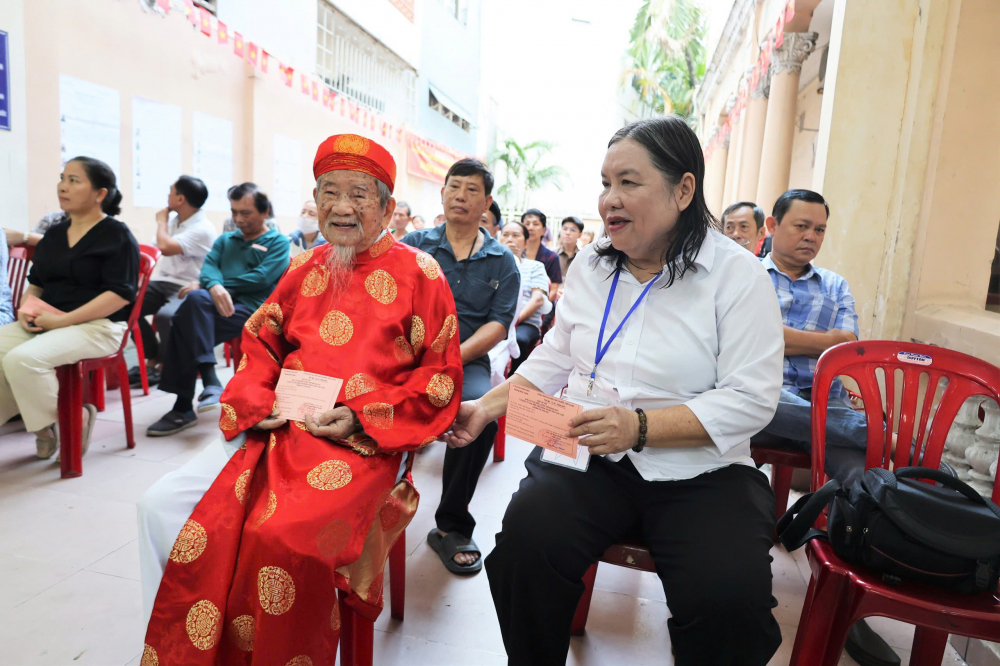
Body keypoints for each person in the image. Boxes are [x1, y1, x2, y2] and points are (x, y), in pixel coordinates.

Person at [444, 116, 785, 665]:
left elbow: (751, 398)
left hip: (700, 469)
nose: (609, 200)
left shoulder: (737, 277)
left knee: (731, 603)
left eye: (629, 182)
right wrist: (485, 408)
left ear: (683, 189)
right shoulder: (593, 266)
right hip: (587, 450)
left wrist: (641, 427)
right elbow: (556, 355)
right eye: (605, 183)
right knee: (523, 548)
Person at [138, 134, 463, 664]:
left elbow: (438, 379)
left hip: (358, 440)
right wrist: (255, 398)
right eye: (328, 191)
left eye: (359, 194)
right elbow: (261, 338)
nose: (340, 206)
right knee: (155, 507)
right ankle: (186, 651)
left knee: (281, 537)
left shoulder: (421, 276)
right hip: (272, 427)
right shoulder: (304, 266)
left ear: (386, 206)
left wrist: (360, 414)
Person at [756, 189, 892, 666]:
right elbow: (754, 341)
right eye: (801, 227)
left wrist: (790, 340)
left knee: (863, 481)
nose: (811, 237)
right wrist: (818, 342)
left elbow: (849, 346)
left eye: (819, 230)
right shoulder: (747, 276)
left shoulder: (834, 284)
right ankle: (877, 430)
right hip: (762, 400)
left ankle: (851, 608)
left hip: (823, 407)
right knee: (761, 398)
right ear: (773, 226)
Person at [401, 159, 519, 575]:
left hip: (463, 359)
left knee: (479, 414)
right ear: (442, 193)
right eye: (454, 187)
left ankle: (450, 524)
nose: (460, 196)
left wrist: (448, 358)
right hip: (405, 354)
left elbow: (499, 325)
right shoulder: (415, 244)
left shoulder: (502, 260)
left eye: (472, 190)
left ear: (486, 202)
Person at [0, 157, 139, 458]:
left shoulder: (117, 235)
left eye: (74, 180)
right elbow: (36, 282)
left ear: (100, 193)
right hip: (50, 320)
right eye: (62, 178)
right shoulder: (54, 234)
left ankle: (76, 417)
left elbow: (119, 295)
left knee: (22, 360)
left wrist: (63, 322)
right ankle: (45, 428)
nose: (63, 186)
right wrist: (27, 310)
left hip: (99, 326)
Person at [146, 183, 290, 435]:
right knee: (194, 307)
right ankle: (209, 380)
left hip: (252, 310)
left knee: (186, 318)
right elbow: (209, 267)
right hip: (211, 309)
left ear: (265, 211)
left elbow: (261, 278)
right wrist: (212, 286)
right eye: (234, 212)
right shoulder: (226, 240)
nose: (238, 219)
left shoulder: (277, 242)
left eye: (245, 213)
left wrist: (216, 287)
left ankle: (183, 408)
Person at [128, 176, 217, 389]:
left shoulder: (203, 228)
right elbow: (157, 246)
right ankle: (154, 356)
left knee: (169, 316)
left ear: (180, 198)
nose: (167, 196)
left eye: (170, 192)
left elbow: (165, 247)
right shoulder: (174, 221)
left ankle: (168, 365)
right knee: (124, 304)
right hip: (163, 281)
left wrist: (160, 222)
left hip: (188, 285)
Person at [499, 220, 550, 373]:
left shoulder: (535, 266)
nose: (510, 239)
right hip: (496, 321)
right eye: (505, 235)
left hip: (524, 323)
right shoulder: (492, 264)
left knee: (519, 340)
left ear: (526, 242)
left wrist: (513, 321)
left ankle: (515, 387)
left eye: (516, 235)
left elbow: (538, 299)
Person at [521, 208, 562, 301]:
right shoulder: (515, 255)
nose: (530, 227)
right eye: (527, 224)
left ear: (544, 230)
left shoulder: (552, 257)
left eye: (535, 224)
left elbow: (553, 291)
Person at [557, 215, 584, 280]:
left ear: (580, 235)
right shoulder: (552, 255)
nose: (568, 233)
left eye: (573, 230)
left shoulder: (583, 257)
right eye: (565, 229)